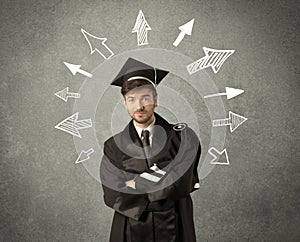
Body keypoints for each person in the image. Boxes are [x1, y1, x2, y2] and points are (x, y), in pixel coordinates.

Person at [100, 58, 201, 242]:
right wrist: (163, 175)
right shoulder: (113, 146)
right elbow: (113, 195)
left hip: (176, 225)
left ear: (155, 100)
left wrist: (135, 183)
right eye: (131, 99)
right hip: (130, 230)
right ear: (124, 103)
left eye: (145, 98)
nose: (138, 106)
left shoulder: (184, 138)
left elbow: (181, 182)